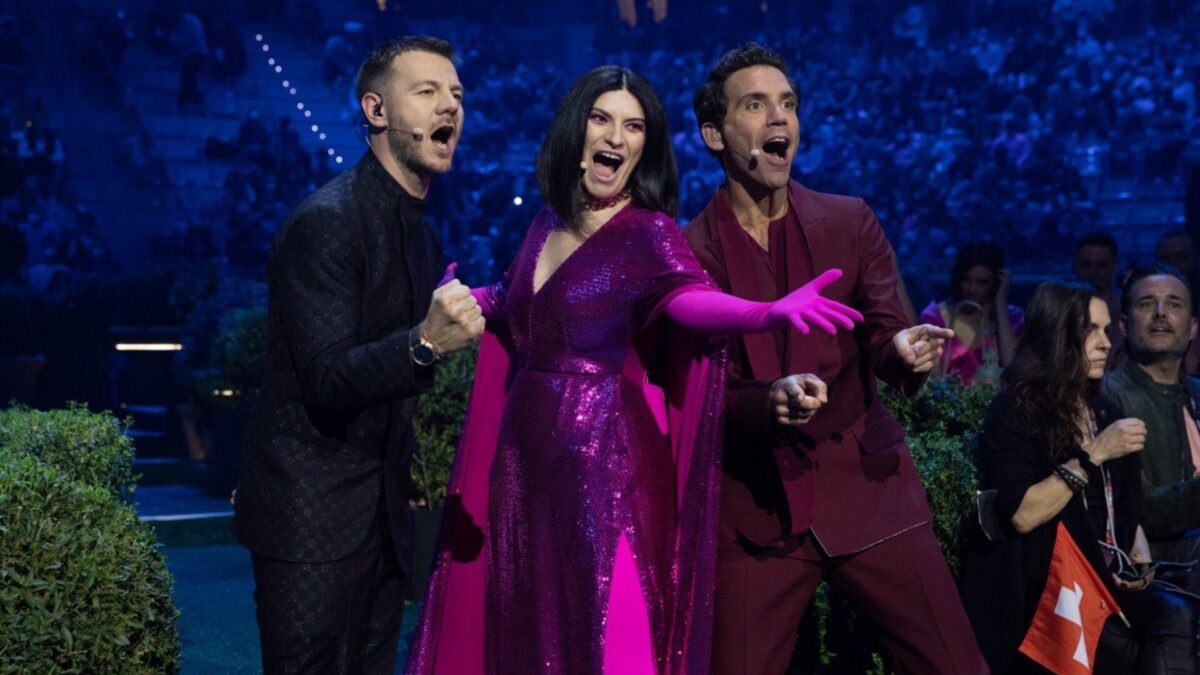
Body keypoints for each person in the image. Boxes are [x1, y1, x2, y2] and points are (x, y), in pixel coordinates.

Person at [406, 65, 862, 675]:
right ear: (577, 130)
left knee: (615, 641)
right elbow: (516, 302)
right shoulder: (546, 221)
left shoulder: (648, 233)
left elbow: (688, 299)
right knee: (530, 640)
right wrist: (456, 302)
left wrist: (765, 313)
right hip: (524, 467)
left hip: (606, 468)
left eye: (634, 125)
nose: (616, 137)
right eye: (602, 118)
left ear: (646, 146)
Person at [682, 43, 986, 674]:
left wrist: (901, 350)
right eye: (755, 105)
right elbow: (701, 391)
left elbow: (885, 329)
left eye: (788, 104)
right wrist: (767, 402)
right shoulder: (688, 254)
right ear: (713, 134)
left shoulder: (849, 221)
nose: (779, 118)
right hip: (756, 512)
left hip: (869, 489)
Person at [233, 36, 483, 675]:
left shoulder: (423, 236)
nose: (449, 106)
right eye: (427, 92)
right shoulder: (326, 223)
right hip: (307, 517)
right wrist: (426, 344)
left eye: (456, 94)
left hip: (382, 519)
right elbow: (326, 379)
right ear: (376, 110)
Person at [961, 280, 1197, 674]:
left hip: (1106, 581)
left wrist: (1136, 559)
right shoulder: (1015, 410)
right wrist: (1093, 454)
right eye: (1091, 331)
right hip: (1051, 587)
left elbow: (1127, 509)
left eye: (1107, 330)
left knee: (1177, 614)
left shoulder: (1103, 410)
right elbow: (1022, 514)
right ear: (1058, 335)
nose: (1106, 343)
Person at [1102, 264, 1200, 591]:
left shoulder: (1196, 392)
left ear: (1193, 327)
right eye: (1146, 303)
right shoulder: (1108, 396)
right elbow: (1140, 509)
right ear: (1124, 324)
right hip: (1160, 567)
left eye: (1174, 304)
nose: (1160, 313)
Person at [919, 241, 1023, 386]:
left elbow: (1014, 370)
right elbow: (926, 378)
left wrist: (1000, 302)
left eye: (982, 282)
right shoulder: (934, 317)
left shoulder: (1013, 318)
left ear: (996, 282)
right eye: (967, 279)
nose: (972, 289)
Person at [1074, 231, 1123, 363]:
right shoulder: (1058, 310)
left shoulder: (1126, 309)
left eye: (1101, 265)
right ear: (1074, 266)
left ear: (1114, 267)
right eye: (1085, 265)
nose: (1093, 273)